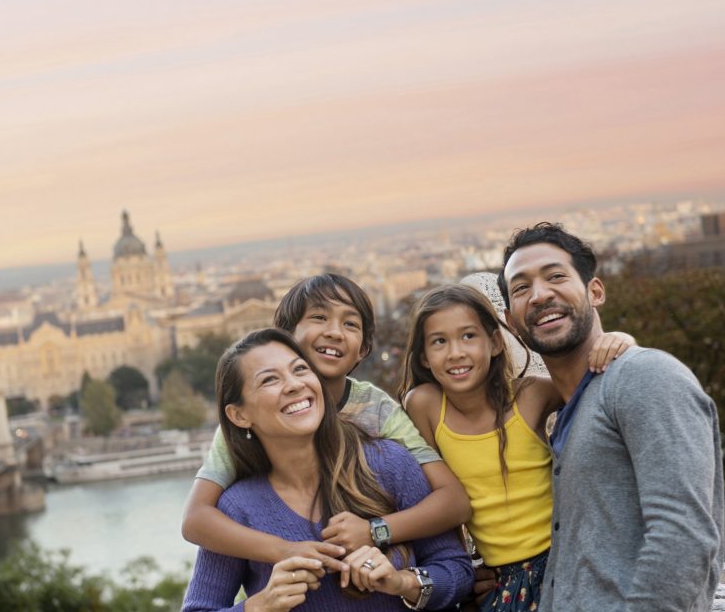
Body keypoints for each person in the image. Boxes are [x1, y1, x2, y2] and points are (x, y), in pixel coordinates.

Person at [498, 222, 724, 611]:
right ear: (511, 320)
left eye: (555, 276)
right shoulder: (568, 412)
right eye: (521, 288)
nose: (539, 295)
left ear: (595, 291)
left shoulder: (643, 376)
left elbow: (683, 535)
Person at [182, 274, 471, 573]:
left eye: (350, 324)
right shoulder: (253, 419)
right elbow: (195, 520)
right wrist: (285, 550)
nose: (335, 332)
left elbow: (454, 501)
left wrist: (375, 530)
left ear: (363, 350)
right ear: (286, 338)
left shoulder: (376, 409)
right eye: (319, 317)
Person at [398, 283, 633, 611]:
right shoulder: (424, 404)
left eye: (469, 336)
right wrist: (465, 568)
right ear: (424, 356)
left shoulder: (530, 395)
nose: (456, 352)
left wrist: (621, 342)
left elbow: (599, 389)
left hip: (570, 562)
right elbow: (436, 494)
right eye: (440, 341)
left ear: (495, 342)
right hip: (504, 583)